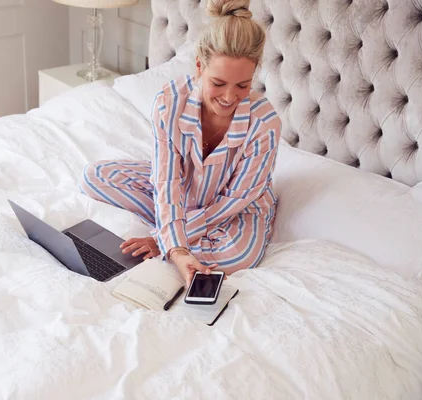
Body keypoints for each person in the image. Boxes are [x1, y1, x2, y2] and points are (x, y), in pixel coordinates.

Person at [79, 0, 281, 288]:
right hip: (185, 189)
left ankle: (173, 226)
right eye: (219, 82)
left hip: (234, 209)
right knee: (94, 177)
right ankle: (175, 224)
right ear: (199, 67)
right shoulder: (170, 102)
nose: (229, 97)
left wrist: (164, 241)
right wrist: (178, 245)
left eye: (242, 85)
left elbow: (234, 202)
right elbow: (166, 181)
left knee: (241, 255)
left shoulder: (264, 125)